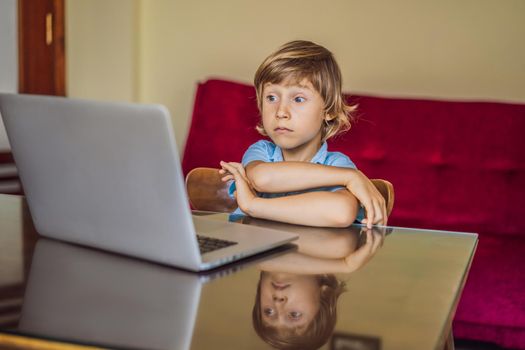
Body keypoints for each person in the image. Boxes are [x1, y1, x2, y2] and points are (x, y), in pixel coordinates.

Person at [220, 40, 387, 228]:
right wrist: (350, 177)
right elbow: (262, 179)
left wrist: (253, 205)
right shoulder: (262, 152)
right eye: (271, 97)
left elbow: (341, 212)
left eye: (298, 99)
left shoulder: (338, 165)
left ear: (329, 110)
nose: (281, 111)